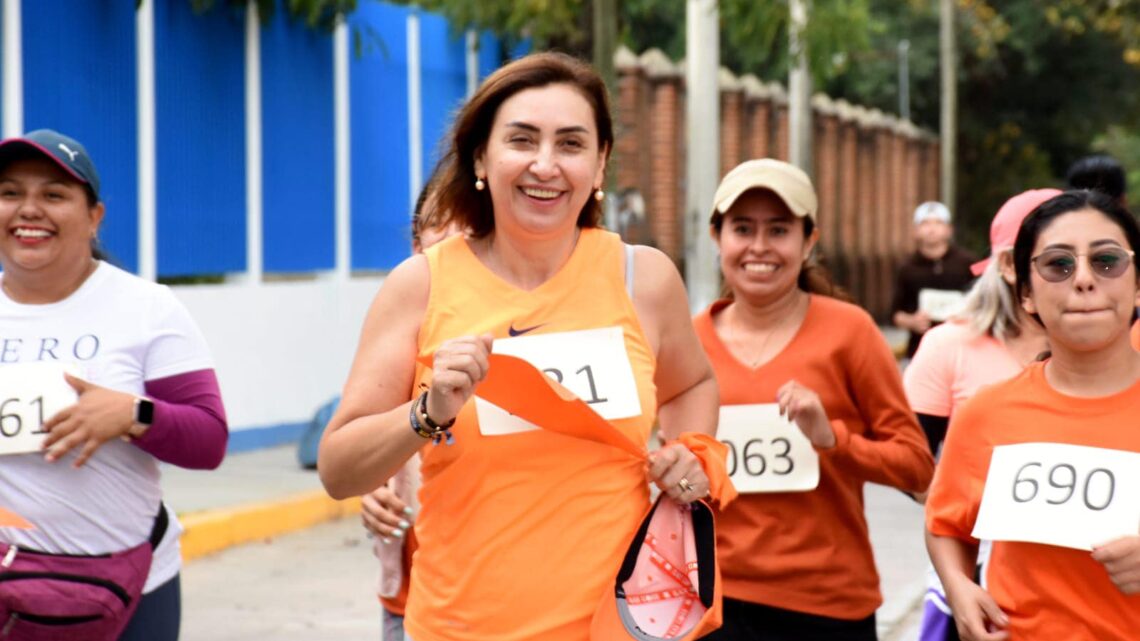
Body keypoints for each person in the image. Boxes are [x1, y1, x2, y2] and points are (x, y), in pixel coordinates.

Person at [318, 52, 725, 641]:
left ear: (600, 162)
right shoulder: (421, 285)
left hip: (619, 627)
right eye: (522, 139)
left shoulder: (645, 278)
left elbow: (692, 383)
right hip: (460, 629)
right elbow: (337, 469)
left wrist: (691, 450)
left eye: (570, 144)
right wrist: (426, 413)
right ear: (481, 156)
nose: (545, 165)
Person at [0, 129, 228, 640]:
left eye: (53, 195)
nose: (27, 210)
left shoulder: (147, 308)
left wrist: (134, 415)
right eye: (10, 193)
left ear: (94, 217)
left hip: (130, 590)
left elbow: (209, 439)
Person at [695, 159, 935, 641]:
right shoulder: (687, 341)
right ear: (717, 237)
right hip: (712, 602)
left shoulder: (851, 332)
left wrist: (833, 440)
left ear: (809, 241)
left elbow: (917, 468)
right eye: (743, 229)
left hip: (828, 604)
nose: (759, 247)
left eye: (779, 230)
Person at [926, 190, 1140, 640]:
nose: (1083, 279)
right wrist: (959, 589)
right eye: (1058, 264)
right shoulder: (988, 412)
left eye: (1107, 260)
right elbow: (945, 525)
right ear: (1025, 293)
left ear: (1137, 281)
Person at [902, 188, 1059, 641]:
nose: (1072, 277)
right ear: (1008, 265)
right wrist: (966, 511)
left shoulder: (1117, 348)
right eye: (1052, 260)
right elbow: (908, 458)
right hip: (979, 585)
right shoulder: (949, 345)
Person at [361, 169, 464, 641]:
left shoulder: (518, 329)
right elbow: (361, 443)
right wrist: (372, 490)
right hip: (409, 599)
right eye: (434, 220)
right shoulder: (395, 332)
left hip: (490, 598)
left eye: (464, 219)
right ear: (416, 240)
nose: (447, 233)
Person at [892, 201, 979, 358]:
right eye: (925, 223)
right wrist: (912, 321)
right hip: (920, 350)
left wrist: (968, 317)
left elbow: (984, 302)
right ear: (915, 230)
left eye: (938, 223)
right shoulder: (907, 268)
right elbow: (895, 314)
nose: (932, 229)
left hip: (962, 349)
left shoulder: (968, 263)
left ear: (949, 230)